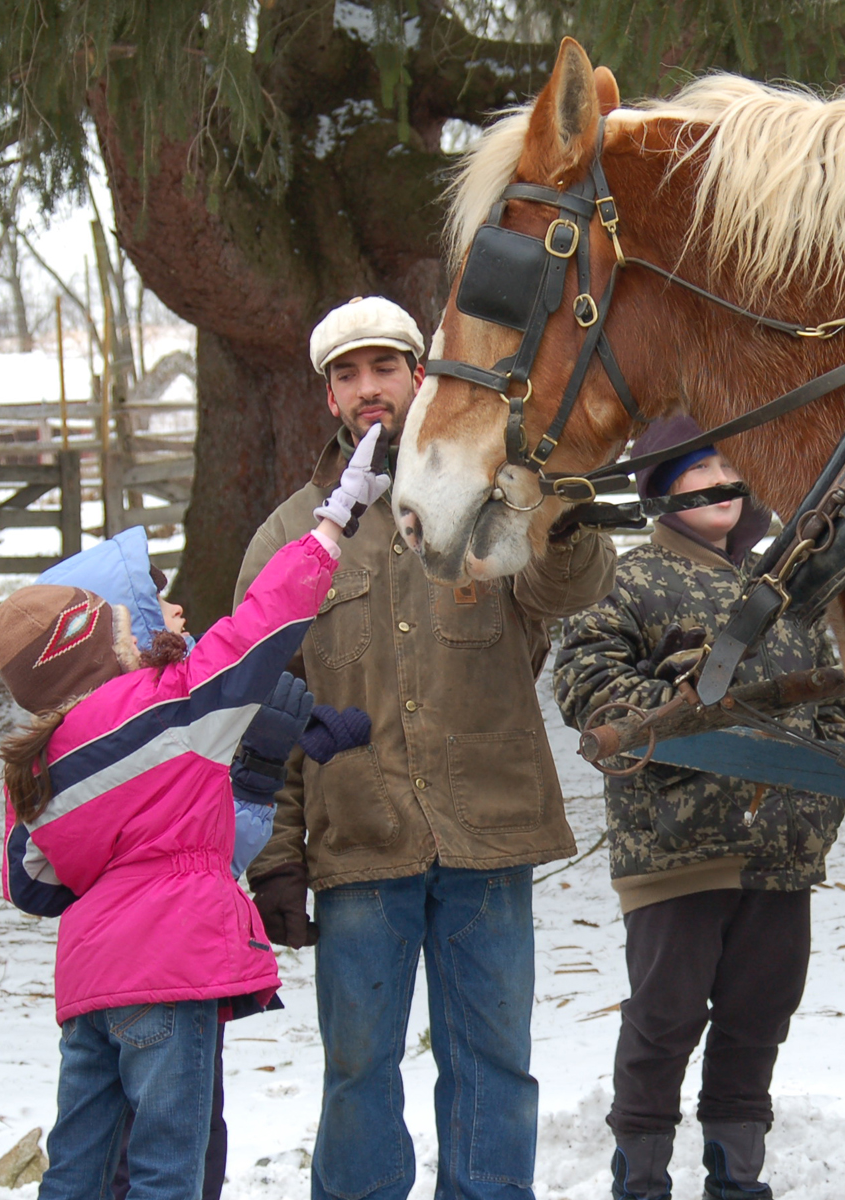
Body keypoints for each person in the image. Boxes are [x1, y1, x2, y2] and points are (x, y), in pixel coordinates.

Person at [237, 295, 616, 1200]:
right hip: (360, 842)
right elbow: (262, 715)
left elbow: (570, 587)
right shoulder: (289, 540)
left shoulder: (485, 507)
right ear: (328, 397)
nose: (369, 389)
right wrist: (276, 858)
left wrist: (562, 515)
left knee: (494, 1062)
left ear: (420, 377)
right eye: (347, 375)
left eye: (385, 368)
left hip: (489, 833)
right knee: (359, 1071)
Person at [0, 427, 388, 1200]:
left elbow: (33, 886)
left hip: (88, 989)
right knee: (171, 1166)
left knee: (78, 1167)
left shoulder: (33, 770)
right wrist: (334, 520)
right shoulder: (169, 712)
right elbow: (260, 630)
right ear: (99, 650)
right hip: (170, 971)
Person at [553, 414, 845, 1200]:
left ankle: (736, 1181)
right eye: (700, 465)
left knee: (760, 1019)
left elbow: (830, 709)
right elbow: (587, 688)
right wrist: (682, 704)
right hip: (675, 850)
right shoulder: (624, 579)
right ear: (660, 487)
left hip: (782, 854)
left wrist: (816, 800)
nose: (721, 476)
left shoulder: (783, 591)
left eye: (730, 462)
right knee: (664, 1021)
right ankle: (642, 1180)